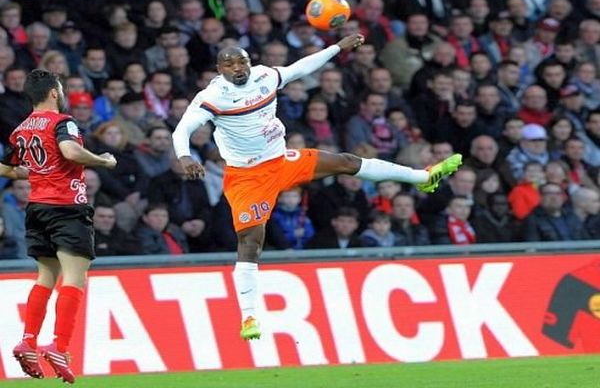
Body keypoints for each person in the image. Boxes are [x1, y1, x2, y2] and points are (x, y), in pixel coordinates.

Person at [172, 34, 462, 341]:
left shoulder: (265, 76)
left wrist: (337, 48)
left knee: (346, 162)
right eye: (229, 64)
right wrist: (186, 157)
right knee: (251, 241)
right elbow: (183, 129)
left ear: (250, 62)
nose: (238, 68)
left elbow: (300, 68)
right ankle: (249, 317)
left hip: (281, 160)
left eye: (242, 61)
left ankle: (424, 177)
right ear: (220, 70)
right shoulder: (212, 96)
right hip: (248, 177)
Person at [0, 69, 116, 383]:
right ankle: (59, 346)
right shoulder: (62, 121)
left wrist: (39, 173)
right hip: (66, 206)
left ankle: (28, 339)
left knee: (46, 276)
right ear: (53, 92)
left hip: (36, 208)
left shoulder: (20, 130)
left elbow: (7, 170)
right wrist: (103, 160)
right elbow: (70, 151)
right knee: (75, 278)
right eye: (61, 88)